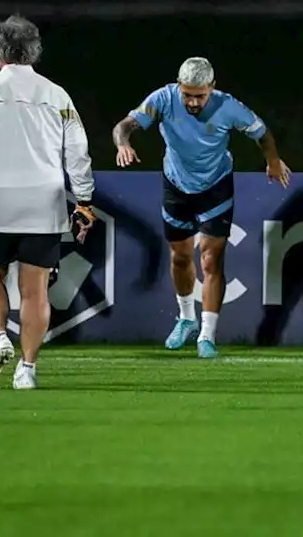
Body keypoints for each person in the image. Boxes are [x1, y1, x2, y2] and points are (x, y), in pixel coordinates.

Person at [0, 15, 96, 390]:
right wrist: (84, 200)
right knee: (35, 290)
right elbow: (78, 152)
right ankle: (27, 369)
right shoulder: (57, 95)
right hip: (43, 204)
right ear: (35, 51)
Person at [113, 57, 289, 359]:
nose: (193, 102)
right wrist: (123, 144)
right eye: (188, 95)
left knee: (211, 259)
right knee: (180, 258)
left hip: (216, 187)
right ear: (179, 87)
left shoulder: (228, 105)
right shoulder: (163, 99)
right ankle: (186, 319)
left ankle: (207, 334)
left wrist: (272, 160)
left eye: (200, 95)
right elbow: (124, 126)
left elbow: (261, 133)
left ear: (212, 88)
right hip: (176, 187)